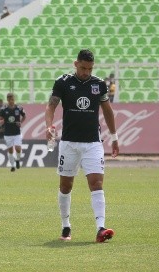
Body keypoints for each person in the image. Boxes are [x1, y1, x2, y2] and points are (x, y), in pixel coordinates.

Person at [45, 49, 119, 243]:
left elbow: (108, 112)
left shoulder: (99, 84)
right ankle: (65, 225)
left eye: (90, 68)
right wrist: (48, 125)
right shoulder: (63, 82)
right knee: (65, 186)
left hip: (93, 143)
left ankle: (100, 228)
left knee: (96, 183)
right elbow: (51, 105)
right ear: (75, 63)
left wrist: (114, 136)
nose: (86, 72)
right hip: (69, 143)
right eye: (83, 67)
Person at [0, 93, 26, 172]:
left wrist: (21, 122)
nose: (11, 101)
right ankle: (13, 166)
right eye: (10, 100)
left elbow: (24, 116)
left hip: (17, 132)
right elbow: (0, 118)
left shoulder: (19, 108)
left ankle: (17, 159)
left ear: (14, 99)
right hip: (7, 133)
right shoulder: (3, 109)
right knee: (10, 150)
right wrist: (1, 121)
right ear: (7, 100)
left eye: (12, 99)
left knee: (18, 148)